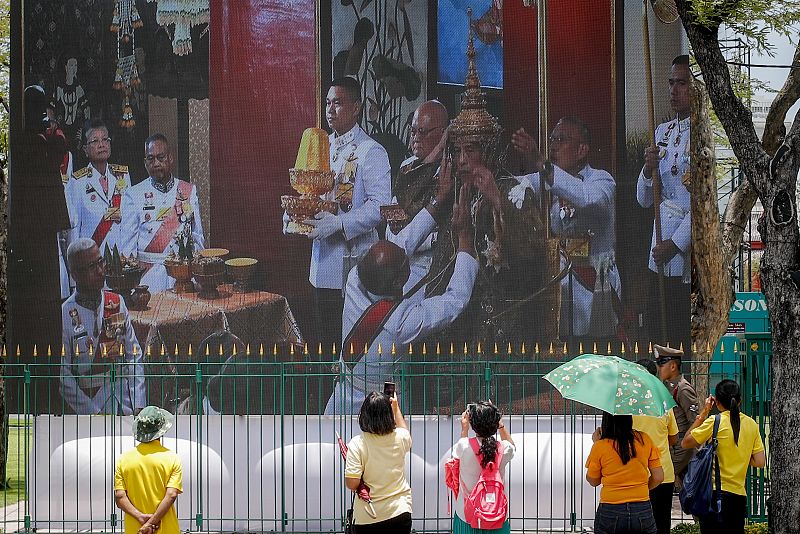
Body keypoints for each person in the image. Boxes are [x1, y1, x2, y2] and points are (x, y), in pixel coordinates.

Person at [425, 24, 548, 346]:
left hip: (501, 319)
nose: (462, 160)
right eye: (457, 150)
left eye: (471, 150)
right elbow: (405, 194)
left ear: (490, 150)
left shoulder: (516, 191)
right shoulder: (452, 191)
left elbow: (532, 256)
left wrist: (497, 201)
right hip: (454, 320)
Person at [325, 181, 479, 415]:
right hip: (381, 409)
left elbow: (398, 246)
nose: (406, 252)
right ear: (399, 281)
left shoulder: (356, 278)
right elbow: (455, 300)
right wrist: (466, 242)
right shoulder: (403, 322)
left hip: (341, 401)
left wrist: (437, 201)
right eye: (406, 262)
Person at [295, 77, 392, 351]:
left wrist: (339, 223)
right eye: (328, 103)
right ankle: (331, 395)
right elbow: (312, 195)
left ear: (356, 107)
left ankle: (358, 394)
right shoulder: (322, 147)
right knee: (325, 346)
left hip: (354, 262)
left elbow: (380, 206)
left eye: (337, 103)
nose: (330, 110)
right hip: (321, 264)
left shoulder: (371, 151)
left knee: (353, 347)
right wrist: (298, 215)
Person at [509, 117, 619, 339]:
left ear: (582, 150)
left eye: (562, 139)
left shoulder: (601, 181)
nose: (554, 146)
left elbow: (587, 199)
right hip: (560, 286)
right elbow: (515, 185)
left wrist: (541, 162)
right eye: (552, 139)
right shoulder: (547, 178)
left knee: (594, 356)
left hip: (595, 286)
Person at [8, 85, 72, 366]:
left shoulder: (24, 139)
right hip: (39, 228)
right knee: (43, 302)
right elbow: (60, 148)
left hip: (31, 228)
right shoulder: (39, 141)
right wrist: (53, 130)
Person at [637, 55, 692, 351]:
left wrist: (675, 243)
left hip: (682, 247)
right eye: (671, 83)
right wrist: (648, 170)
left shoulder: (703, 134)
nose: (674, 90)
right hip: (657, 245)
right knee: (658, 330)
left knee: (680, 327)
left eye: (681, 83)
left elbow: (703, 205)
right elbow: (644, 200)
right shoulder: (662, 132)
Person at [60, 238, 146, 415]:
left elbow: (133, 356)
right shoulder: (65, 313)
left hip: (124, 405)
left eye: (101, 262)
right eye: (92, 267)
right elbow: (64, 375)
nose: (100, 271)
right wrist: (93, 413)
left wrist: (138, 404)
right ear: (74, 274)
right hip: (91, 406)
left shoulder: (116, 302)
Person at [120, 133, 204, 293]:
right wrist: (131, 285)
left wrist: (197, 276)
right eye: (150, 159)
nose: (156, 163)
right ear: (145, 163)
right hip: (149, 278)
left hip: (182, 277)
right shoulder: (134, 194)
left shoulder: (188, 191)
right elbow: (128, 247)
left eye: (161, 157)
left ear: (170, 158)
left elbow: (197, 237)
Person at [681, 380, 766, 534]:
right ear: (739, 401)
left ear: (717, 403)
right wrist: (742, 454)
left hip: (714, 496)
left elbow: (686, 442)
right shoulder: (751, 425)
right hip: (738, 498)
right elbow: (760, 462)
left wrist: (703, 414)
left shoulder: (714, 422)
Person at [384, 100, 449, 293]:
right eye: (413, 131)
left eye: (423, 131)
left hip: (431, 266)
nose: (415, 138)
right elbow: (393, 226)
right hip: (400, 259)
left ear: (443, 133)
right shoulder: (407, 166)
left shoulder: (449, 171)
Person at [344, 392, 412, 534]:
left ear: (364, 415)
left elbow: (352, 483)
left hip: (369, 515)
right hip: (400, 510)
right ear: (388, 415)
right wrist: (396, 408)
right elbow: (404, 429)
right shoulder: (400, 438)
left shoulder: (357, 444)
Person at [586, 412, 663, 534]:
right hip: (642, 507)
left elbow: (593, 481)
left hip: (611, 508)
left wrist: (596, 444)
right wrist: (641, 488)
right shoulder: (644, 439)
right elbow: (658, 477)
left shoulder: (600, 446)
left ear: (606, 421)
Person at [66, 119, 132, 255]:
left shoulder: (122, 175)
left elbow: (130, 220)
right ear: (85, 149)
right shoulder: (77, 182)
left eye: (105, 139)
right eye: (95, 141)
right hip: (93, 260)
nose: (102, 145)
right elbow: (74, 228)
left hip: (121, 257)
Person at [114, 405, 183, 534]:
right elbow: (171, 494)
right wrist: (151, 522)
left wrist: (141, 517)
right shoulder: (172, 458)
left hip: (136, 529)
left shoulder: (123, 460)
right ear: (161, 430)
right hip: (166, 529)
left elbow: (119, 497)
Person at [451, 401, 515, 534]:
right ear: (496, 423)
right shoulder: (505, 449)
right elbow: (511, 445)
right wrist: (501, 426)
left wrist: (464, 429)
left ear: (472, 423)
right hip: (497, 515)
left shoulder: (463, 446)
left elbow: (457, 456)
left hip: (467, 516)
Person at [632, 358, 679, 534]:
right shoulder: (663, 402)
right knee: (662, 523)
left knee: (637, 524)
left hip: (637, 473)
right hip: (663, 473)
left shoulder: (628, 404)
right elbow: (673, 438)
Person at [654, 344, 699, 485]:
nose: (659, 368)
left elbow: (695, 421)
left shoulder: (683, 389)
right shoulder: (667, 386)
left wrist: (687, 447)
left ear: (673, 366)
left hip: (681, 448)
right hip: (672, 446)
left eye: (662, 364)